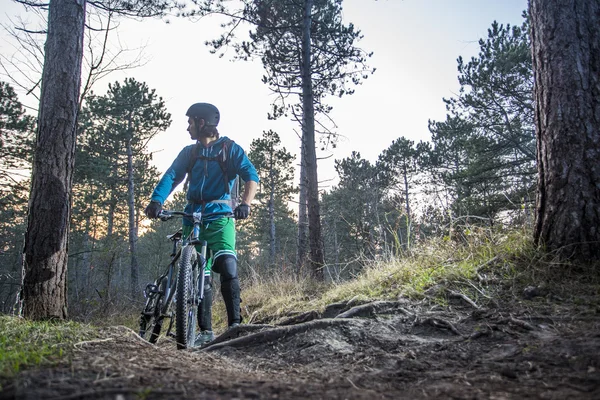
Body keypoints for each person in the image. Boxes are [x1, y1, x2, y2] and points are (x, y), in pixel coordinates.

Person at [144, 102, 258, 346]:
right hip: (192, 216)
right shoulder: (190, 152)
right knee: (200, 276)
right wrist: (156, 200)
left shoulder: (230, 148)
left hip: (221, 217)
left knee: (228, 268)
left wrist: (245, 203)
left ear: (201, 122)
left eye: (190, 122)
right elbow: (172, 175)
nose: (188, 127)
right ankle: (205, 332)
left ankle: (235, 327)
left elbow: (251, 176)